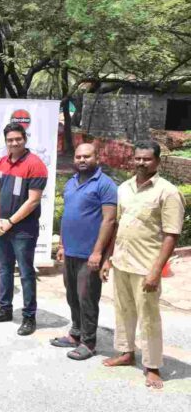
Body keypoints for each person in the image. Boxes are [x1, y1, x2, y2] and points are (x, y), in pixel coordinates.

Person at [100, 140, 185, 389]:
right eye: (138, 158)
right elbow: (118, 225)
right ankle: (126, 353)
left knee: (149, 318)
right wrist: (108, 258)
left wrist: (156, 271)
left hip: (146, 266)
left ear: (157, 161)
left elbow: (172, 234)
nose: (141, 163)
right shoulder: (124, 188)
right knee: (123, 311)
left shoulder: (167, 192)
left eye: (146, 159)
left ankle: (153, 366)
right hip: (123, 262)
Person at [51, 143, 117, 360]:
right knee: (72, 296)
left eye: (86, 156)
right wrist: (61, 245)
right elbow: (67, 216)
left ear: (96, 157)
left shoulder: (105, 185)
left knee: (87, 298)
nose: (81, 160)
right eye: (78, 156)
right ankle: (75, 334)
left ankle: (88, 343)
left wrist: (98, 253)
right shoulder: (71, 183)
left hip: (90, 255)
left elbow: (109, 220)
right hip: (70, 251)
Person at [0, 122, 47, 336]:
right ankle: (5, 309)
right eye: (10, 140)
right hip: (1, 226)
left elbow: (33, 201)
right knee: (4, 269)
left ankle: (29, 316)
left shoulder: (35, 164)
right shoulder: (1, 162)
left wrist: (10, 221)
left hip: (23, 230)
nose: (14, 143)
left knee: (26, 273)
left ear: (24, 139)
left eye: (18, 139)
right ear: (6, 141)